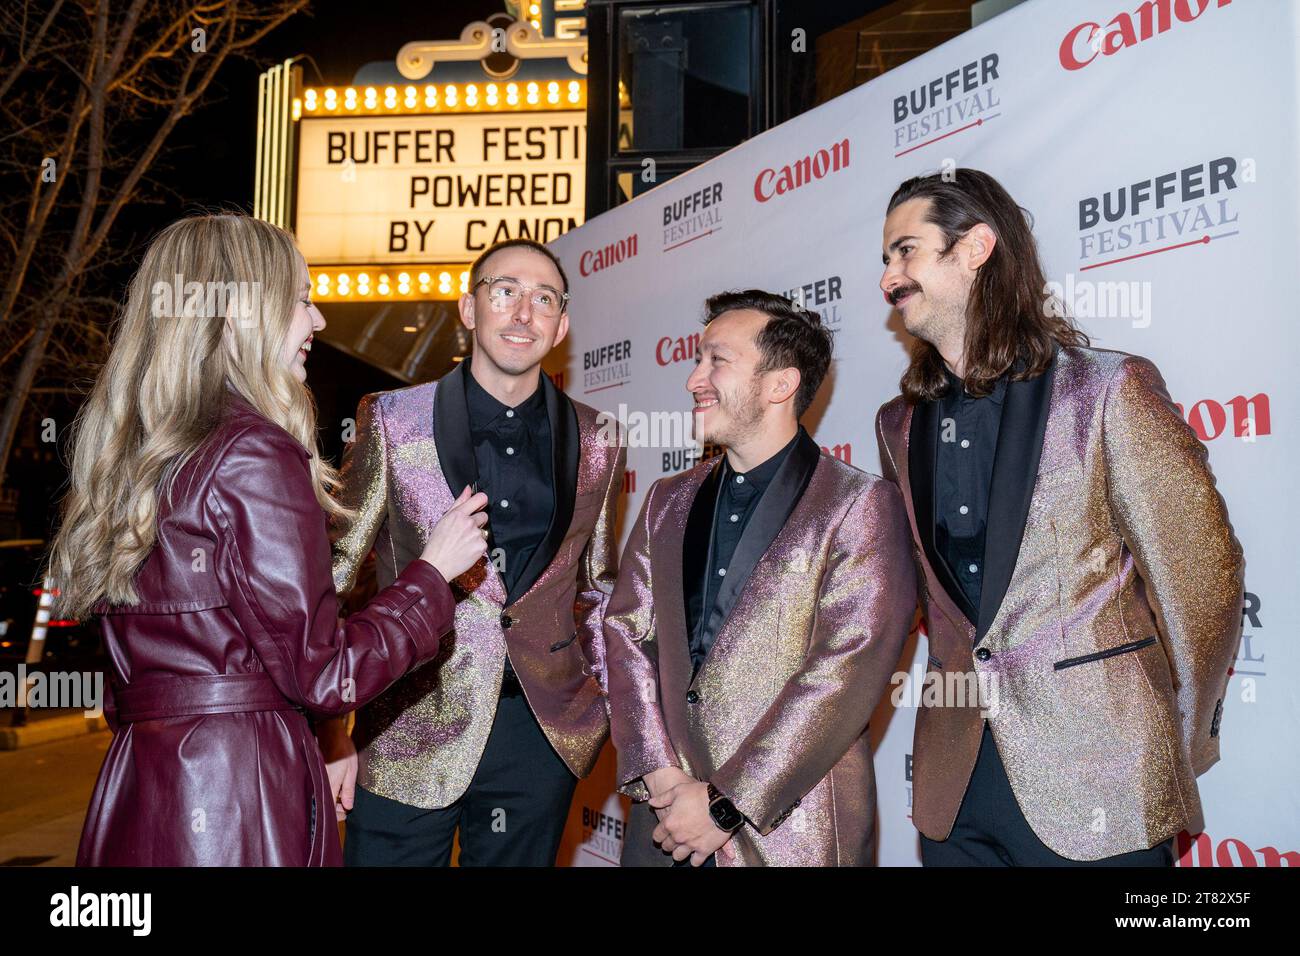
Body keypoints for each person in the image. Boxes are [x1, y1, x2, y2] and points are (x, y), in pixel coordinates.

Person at [49, 214, 489, 866]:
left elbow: (129, 685)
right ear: (240, 311)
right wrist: (432, 573)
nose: (317, 322)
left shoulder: (132, 454)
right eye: (302, 299)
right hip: (238, 794)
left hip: (142, 786)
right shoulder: (254, 451)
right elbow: (326, 673)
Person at [874, 169, 1244, 865]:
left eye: (906, 250)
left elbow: (1203, 579)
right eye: (886, 259)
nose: (889, 275)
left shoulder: (1108, 389)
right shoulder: (898, 425)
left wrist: (1174, 739)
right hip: (953, 789)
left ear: (977, 247)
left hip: (1101, 773)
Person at [322, 238, 626, 867]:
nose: (524, 312)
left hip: (537, 735)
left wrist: (599, 701)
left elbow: (596, 586)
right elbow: (335, 573)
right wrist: (328, 727)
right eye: (505, 291)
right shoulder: (390, 418)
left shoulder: (599, 436)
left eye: (544, 299)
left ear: (561, 325)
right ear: (468, 308)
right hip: (407, 723)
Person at [605, 290, 916, 866]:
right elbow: (626, 635)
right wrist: (657, 769)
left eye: (716, 360)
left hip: (791, 832)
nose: (694, 379)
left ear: (780, 384)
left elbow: (843, 674)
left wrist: (725, 803)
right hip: (665, 821)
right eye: (698, 359)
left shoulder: (860, 505)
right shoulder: (665, 500)